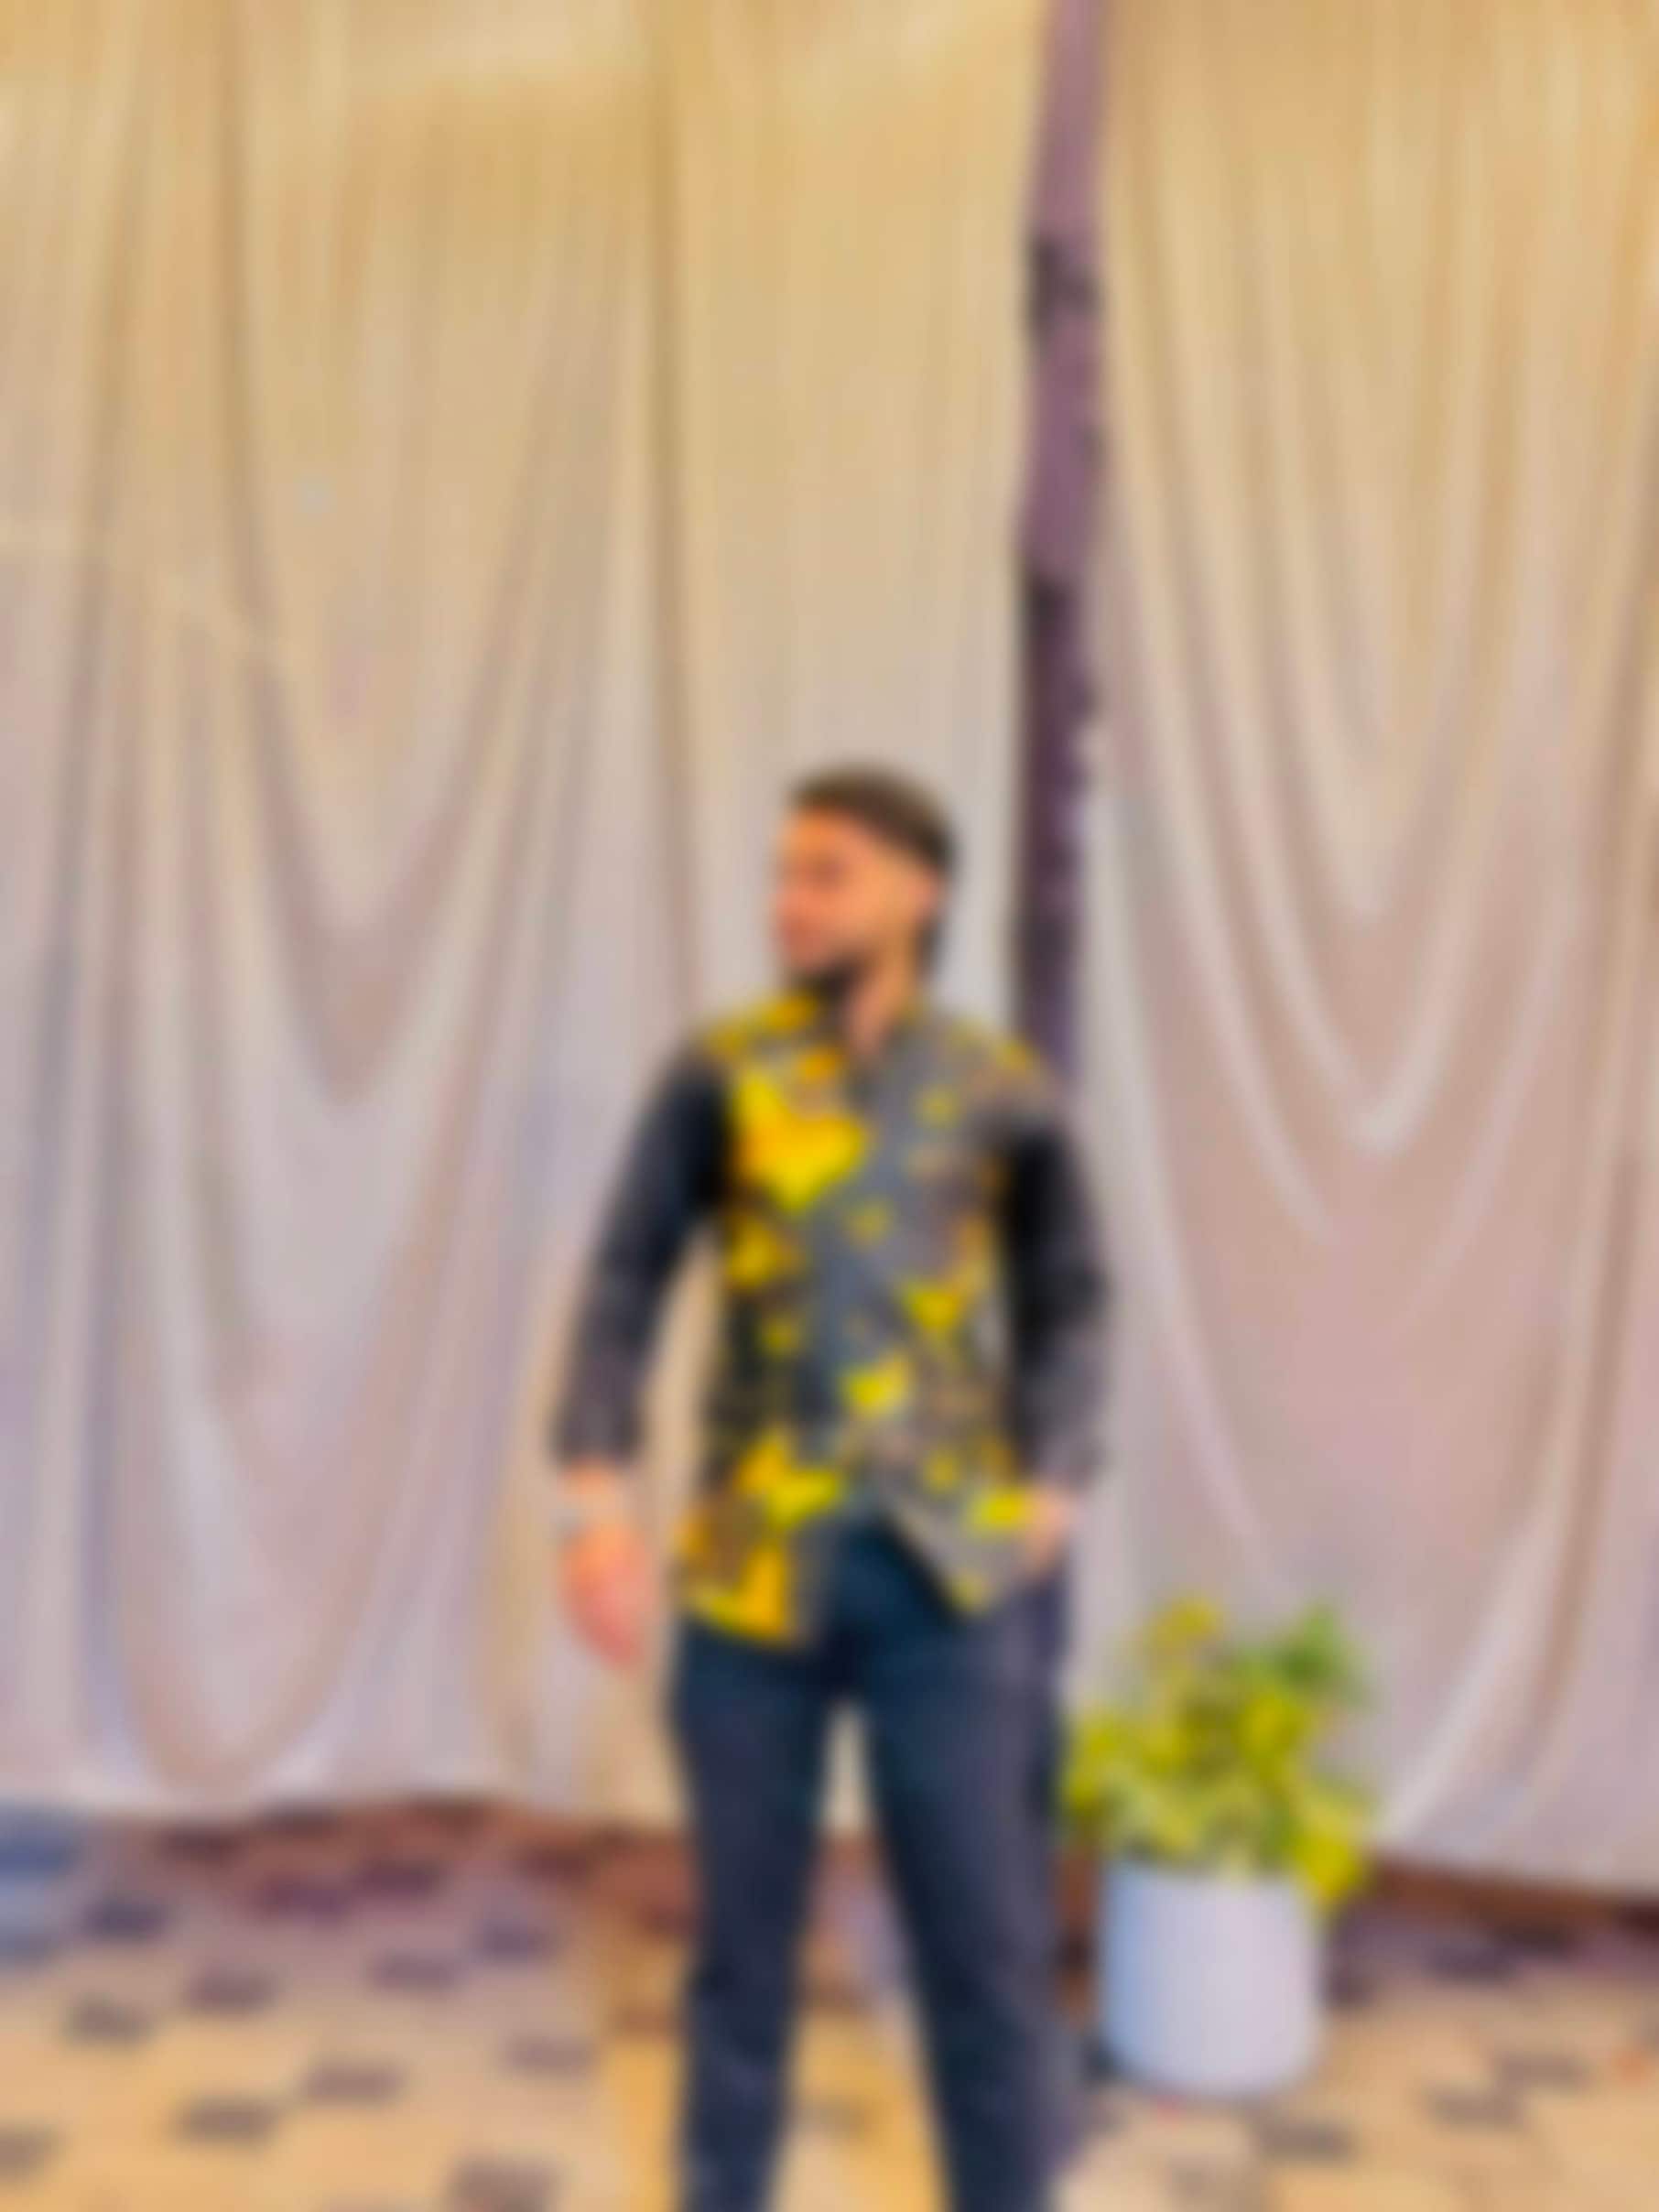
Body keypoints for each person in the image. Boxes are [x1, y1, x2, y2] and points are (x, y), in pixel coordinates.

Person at [549, 765, 1110, 2212]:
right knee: (741, 1964)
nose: (789, 902)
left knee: (986, 1963)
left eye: (828, 872)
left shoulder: (999, 1089)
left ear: (920, 892)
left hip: (948, 1585)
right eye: (784, 872)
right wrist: (594, 1499)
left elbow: (1071, 1294)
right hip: (755, 1581)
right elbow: (622, 1281)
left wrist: (1056, 1479)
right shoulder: (722, 1074)